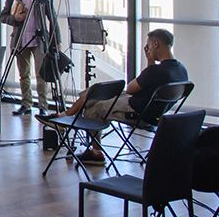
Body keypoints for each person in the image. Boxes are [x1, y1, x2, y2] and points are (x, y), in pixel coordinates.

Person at [38, 29, 189, 165]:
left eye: (148, 45)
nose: (147, 49)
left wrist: (149, 62)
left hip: (136, 111)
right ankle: (65, 117)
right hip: (154, 113)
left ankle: (95, 152)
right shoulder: (181, 70)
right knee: (94, 91)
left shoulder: (156, 71)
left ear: (156, 44)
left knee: (94, 106)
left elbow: (130, 88)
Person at [0, 0, 49, 116]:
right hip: (20, 40)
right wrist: (14, 18)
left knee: (41, 75)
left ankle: (43, 106)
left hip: (39, 41)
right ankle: (26, 104)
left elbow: (51, 17)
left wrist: (57, 40)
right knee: (24, 75)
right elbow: (3, 17)